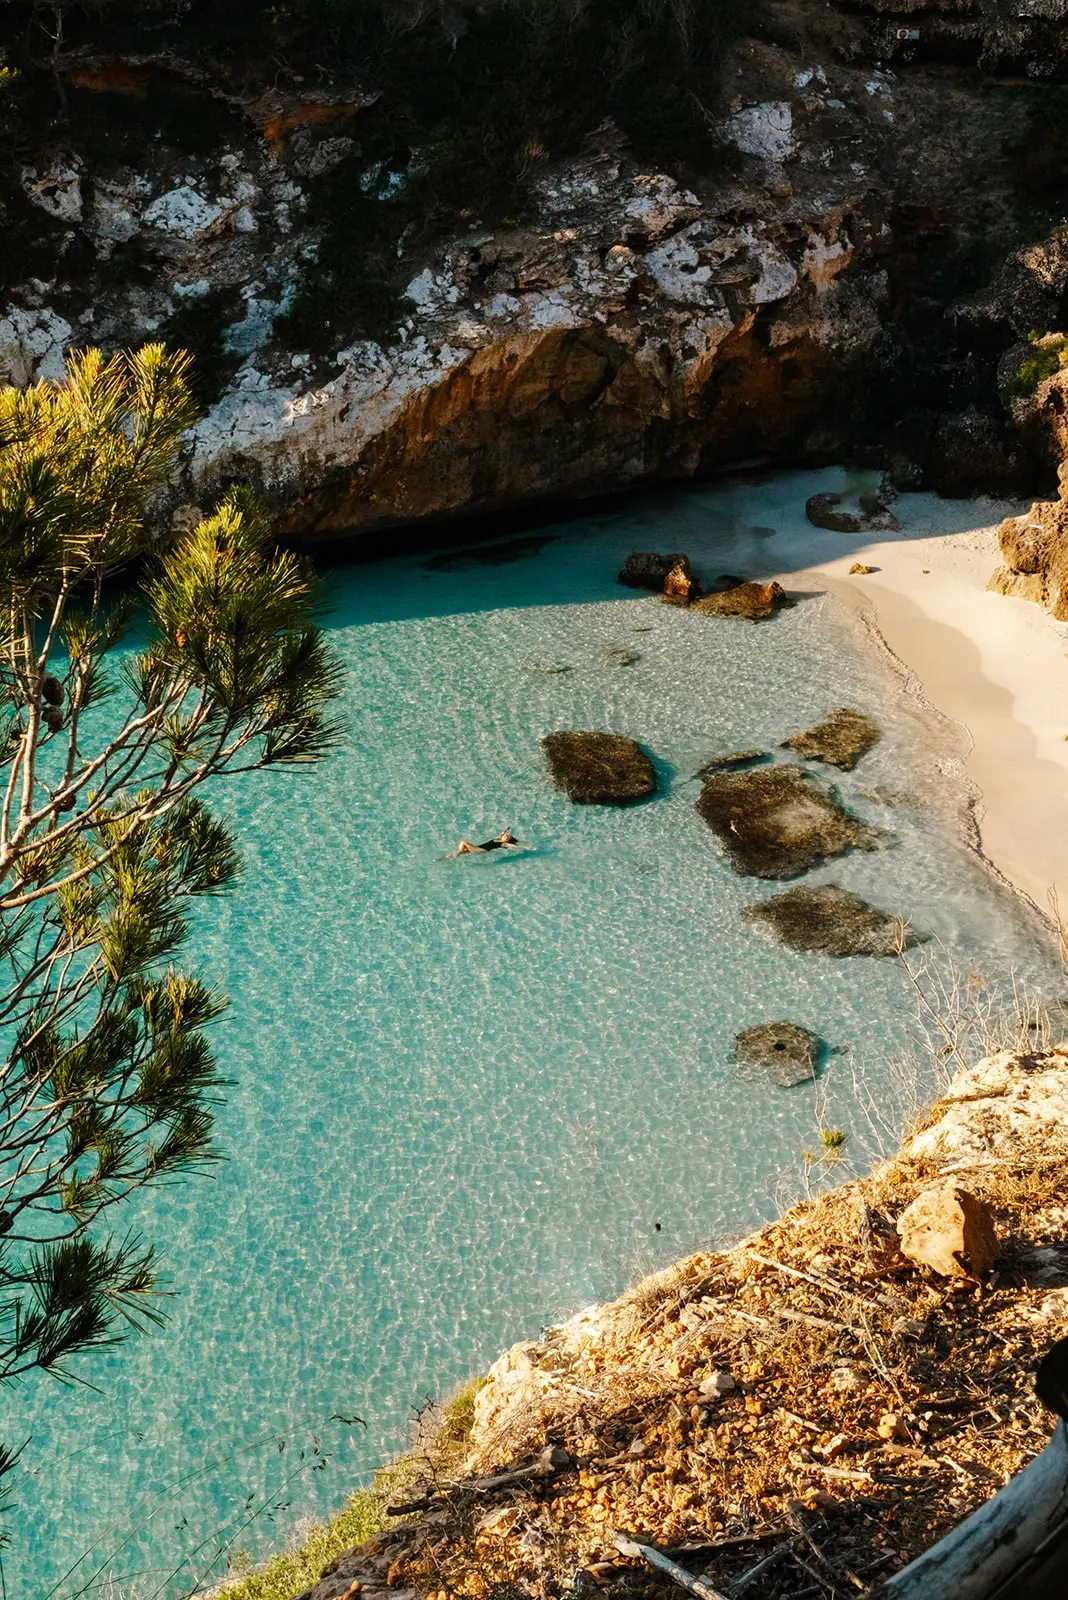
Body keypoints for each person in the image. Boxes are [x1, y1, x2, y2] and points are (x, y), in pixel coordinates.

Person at [442, 830, 520, 859]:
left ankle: (456, 855)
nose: (506, 835)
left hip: (481, 850)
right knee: (463, 851)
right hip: (478, 848)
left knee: (463, 842)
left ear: (507, 841)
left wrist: (526, 847)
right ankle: (442, 859)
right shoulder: (499, 839)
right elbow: (502, 833)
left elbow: (512, 846)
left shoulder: (502, 844)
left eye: (507, 837)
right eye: (507, 835)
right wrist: (506, 830)